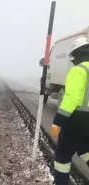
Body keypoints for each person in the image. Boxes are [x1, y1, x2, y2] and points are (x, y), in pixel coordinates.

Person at [52, 37, 89, 185]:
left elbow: (72, 98)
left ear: (76, 54)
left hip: (75, 123)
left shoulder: (78, 70)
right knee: (85, 150)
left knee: (63, 158)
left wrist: (58, 120)